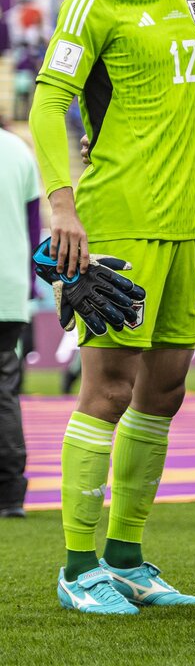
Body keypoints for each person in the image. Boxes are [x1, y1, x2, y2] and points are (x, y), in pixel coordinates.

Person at [31, 0, 195, 614]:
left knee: (166, 390)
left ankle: (127, 556)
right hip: (114, 218)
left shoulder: (192, 0)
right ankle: (78, 567)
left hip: (184, 224)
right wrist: (62, 205)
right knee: (107, 387)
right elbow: (50, 101)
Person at [0, 115, 42, 517]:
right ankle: (10, 495)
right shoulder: (18, 150)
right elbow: (34, 230)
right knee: (5, 393)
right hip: (10, 290)